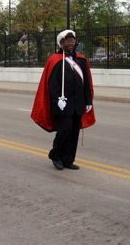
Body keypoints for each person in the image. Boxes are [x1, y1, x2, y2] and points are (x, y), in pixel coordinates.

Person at [31, 30, 95, 170]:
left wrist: (88, 101)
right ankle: (55, 155)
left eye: (72, 41)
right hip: (62, 103)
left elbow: (87, 82)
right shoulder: (55, 60)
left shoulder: (81, 60)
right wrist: (56, 100)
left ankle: (68, 160)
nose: (70, 44)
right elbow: (51, 84)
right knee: (64, 130)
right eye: (67, 41)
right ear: (61, 43)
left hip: (78, 103)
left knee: (74, 133)